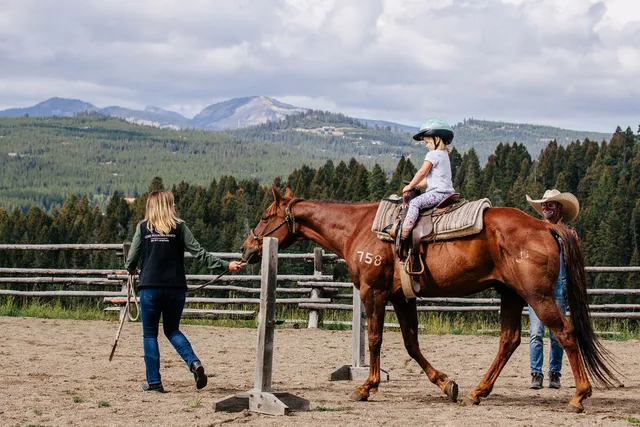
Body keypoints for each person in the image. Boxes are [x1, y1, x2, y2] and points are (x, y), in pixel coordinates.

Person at [125, 190, 243, 392]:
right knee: (172, 330)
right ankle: (194, 363)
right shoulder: (179, 227)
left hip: (150, 289)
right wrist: (226, 265)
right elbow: (200, 253)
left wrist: (131, 268)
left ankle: (154, 382)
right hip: (176, 289)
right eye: (172, 203)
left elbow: (132, 259)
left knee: (150, 335)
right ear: (167, 205)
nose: (175, 207)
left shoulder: (143, 228)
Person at [525, 189, 580, 390]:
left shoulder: (569, 234)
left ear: (559, 208)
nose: (546, 208)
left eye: (551, 204)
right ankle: (536, 374)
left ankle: (554, 373)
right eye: (544, 205)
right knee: (536, 332)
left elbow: (575, 264)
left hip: (559, 287)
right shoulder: (534, 233)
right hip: (537, 288)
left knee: (557, 333)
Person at [400, 118, 456, 241]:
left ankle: (405, 230)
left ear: (436, 139)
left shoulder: (433, 154)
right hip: (448, 193)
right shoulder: (444, 155)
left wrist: (410, 186)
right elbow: (432, 178)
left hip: (438, 194)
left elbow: (422, 173)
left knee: (414, 203)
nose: (426, 145)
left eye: (427, 142)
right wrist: (418, 186)